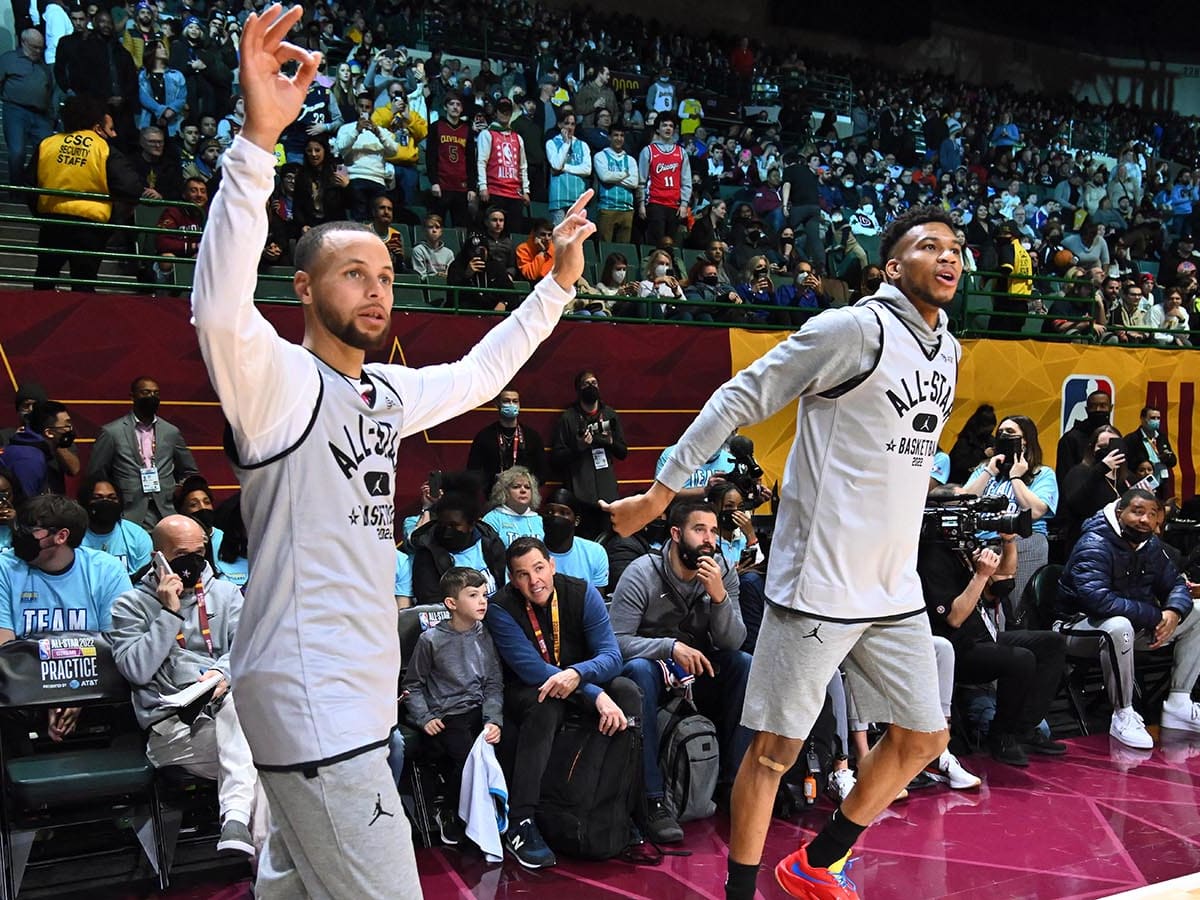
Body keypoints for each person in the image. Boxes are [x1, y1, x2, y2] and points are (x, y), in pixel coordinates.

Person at [188, 9, 595, 894]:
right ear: (303, 287)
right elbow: (219, 310)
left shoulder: (382, 393)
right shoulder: (280, 384)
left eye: (384, 274)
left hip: (353, 701)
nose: (376, 290)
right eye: (352, 274)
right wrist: (258, 142)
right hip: (311, 705)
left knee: (294, 888)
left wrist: (555, 288)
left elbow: (484, 372)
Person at [606, 206, 964, 900]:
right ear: (892, 266)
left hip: (892, 584)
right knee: (774, 755)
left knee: (925, 737)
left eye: (956, 248)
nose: (948, 257)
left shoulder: (946, 345)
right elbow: (742, 394)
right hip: (819, 583)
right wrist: (659, 495)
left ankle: (816, 863)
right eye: (929, 246)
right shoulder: (853, 329)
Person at [109, 514, 261, 859]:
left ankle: (238, 825)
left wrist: (222, 675)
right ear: (158, 558)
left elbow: (246, 651)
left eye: (200, 551)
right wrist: (169, 614)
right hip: (173, 732)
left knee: (250, 732)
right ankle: (260, 860)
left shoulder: (225, 594)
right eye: (181, 554)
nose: (194, 561)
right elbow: (136, 669)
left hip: (228, 721)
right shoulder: (129, 605)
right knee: (266, 757)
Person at [484, 537, 639, 869]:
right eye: (522, 574)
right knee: (547, 704)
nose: (534, 581)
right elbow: (531, 669)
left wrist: (578, 675)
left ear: (552, 565)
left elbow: (612, 656)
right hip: (528, 688)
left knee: (627, 691)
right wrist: (594, 693)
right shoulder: (499, 608)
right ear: (512, 579)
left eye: (539, 568)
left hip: (578, 679)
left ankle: (621, 804)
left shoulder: (583, 593)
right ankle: (521, 821)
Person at [609, 500, 750, 843]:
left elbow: (733, 641)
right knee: (639, 672)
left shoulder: (723, 571)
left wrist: (719, 599)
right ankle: (652, 800)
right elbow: (616, 641)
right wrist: (668, 647)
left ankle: (734, 785)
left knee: (742, 665)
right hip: (654, 668)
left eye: (714, 531)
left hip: (698, 670)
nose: (709, 539)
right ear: (675, 534)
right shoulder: (642, 572)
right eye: (699, 529)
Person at [919, 499, 1068, 767]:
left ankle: (1023, 728)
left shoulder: (962, 545)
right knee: (1020, 659)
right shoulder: (931, 556)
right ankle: (1001, 737)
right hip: (954, 649)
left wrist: (1008, 541)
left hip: (982, 637)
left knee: (1051, 643)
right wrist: (979, 576)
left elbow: (1002, 582)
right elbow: (954, 618)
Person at [1056, 490, 1200, 749]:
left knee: (1198, 611)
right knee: (1118, 626)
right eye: (1137, 511)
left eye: (1152, 514)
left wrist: (1173, 613)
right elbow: (1098, 601)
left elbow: (1176, 583)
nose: (1144, 519)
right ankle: (1123, 714)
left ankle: (1179, 702)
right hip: (1077, 627)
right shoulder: (1094, 542)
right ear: (1120, 512)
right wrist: (1156, 616)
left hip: (1134, 627)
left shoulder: (1151, 546)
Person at [0, 495, 129, 742]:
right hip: (23, 690)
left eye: (31, 531)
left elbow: (118, 643)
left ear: (61, 536)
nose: (20, 536)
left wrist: (79, 693)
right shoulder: (5, 568)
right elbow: (4, 647)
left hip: (95, 684)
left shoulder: (106, 569)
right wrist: (51, 693)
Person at [400, 567, 503, 846]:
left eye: (484, 594)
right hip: (447, 714)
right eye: (473, 595)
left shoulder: (486, 634)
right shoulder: (430, 640)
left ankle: (498, 813)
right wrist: (424, 717)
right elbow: (412, 686)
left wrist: (494, 719)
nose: (482, 601)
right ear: (451, 604)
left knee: (506, 743)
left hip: (478, 710)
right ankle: (449, 809)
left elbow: (494, 683)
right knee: (468, 756)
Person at [29, 95, 142, 292]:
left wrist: (41, 213)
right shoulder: (103, 148)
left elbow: (29, 184)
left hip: (52, 221)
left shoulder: (47, 144)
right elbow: (131, 186)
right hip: (91, 226)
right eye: (111, 129)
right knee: (84, 283)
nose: (114, 134)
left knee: (44, 277)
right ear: (97, 126)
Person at [962, 415, 1059, 613]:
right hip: (982, 542)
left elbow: (1036, 511)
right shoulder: (985, 469)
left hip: (1023, 542)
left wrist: (1016, 476)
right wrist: (989, 471)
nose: (1004, 435)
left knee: (1011, 608)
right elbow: (964, 502)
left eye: (1011, 432)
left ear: (1025, 440)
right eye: (1001, 432)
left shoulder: (1043, 473)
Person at [88, 375, 199, 529]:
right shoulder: (112, 432)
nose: (151, 397)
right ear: (132, 396)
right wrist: (114, 496)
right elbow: (97, 473)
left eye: (155, 393)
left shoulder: (171, 431)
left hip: (166, 508)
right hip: (129, 509)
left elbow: (190, 470)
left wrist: (177, 489)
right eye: (145, 392)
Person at [552, 370, 627, 539]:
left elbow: (623, 452)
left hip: (608, 495)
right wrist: (579, 447)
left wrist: (610, 443)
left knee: (609, 539)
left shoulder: (610, 415)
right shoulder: (568, 418)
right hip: (580, 495)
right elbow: (557, 458)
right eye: (586, 384)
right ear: (578, 389)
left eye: (594, 383)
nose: (591, 387)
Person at [0, 29, 54, 191]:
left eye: (41, 48)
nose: (38, 51)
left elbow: (49, 89)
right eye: (34, 47)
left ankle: (34, 185)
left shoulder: (42, 66)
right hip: (15, 110)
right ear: (24, 43)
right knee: (17, 151)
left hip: (41, 114)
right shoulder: (9, 59)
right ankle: (16, 188)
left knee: (46, 153)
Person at [465, 386, 547, 492]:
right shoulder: (484, 436)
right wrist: (494, 482)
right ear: (497, 404)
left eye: (515, 401)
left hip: (524, 495)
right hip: (494, 495)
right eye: (506, 401)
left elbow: (543, 472)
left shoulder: (532, 436)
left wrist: (526, 484)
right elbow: (473, 471)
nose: (511, 405)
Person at [78, 474, 152, 578]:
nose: (106, 502)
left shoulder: (137, 536)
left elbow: (144, 581)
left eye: (112, 498)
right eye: (97, 498)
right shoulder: (75, 537)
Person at [2, 399, 76, 497]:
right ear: (49, 433)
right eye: (66, 425)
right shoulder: (29, 459)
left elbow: (74, 469)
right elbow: (26, 505)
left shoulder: (35, 450)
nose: (69, 429)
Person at [541, 488, 609, 591]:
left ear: (576, 521)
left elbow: (597, 602)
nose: (555, 517)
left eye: (563, 513)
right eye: (549, 512)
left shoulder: (595, 552)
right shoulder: (531, 553)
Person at [638, 113, 691, 245]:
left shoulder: (681, 152)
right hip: (655, 203)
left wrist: (684, 204)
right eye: (664, 125)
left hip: (674, 205)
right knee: (656, 243)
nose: (668, 128)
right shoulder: (648, 151)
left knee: (670, 244)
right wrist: (641, 203)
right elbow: (642, 181)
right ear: (658, 129)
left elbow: (686, 181)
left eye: (671, 126)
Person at [425, 93, 476, 228]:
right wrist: (434, 182)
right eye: (452, 104)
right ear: (445, 107)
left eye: (458, 104)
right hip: (442, 185)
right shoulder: (436, 127)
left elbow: (471, 160)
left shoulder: (467, 130)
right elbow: (430, 157)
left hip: (461, 186)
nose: (455, 107)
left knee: (461, 227)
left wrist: (471, 187)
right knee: (437, 225)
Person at [1056, 388, 1112, 486]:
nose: (1098, 410)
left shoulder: (1115, 437)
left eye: (1103, 406)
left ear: (1110, 408)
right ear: (1086, 409)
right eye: (1093, 407)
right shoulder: (1070, 439)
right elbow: (1064, 478)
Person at [593, 124, 637, 242]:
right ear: (609, 137)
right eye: (615, 135)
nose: (619, 138)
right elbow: (605, 177)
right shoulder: (600, 156)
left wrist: (613, 178)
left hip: (627, 209)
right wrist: (624, 174)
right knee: (604, 246)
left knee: (623, 249)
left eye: (621, 135)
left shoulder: (630, 160)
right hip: (607, 207)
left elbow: (634, 183)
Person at [481, 466, 544, 547]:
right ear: (504, 492)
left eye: (527, 487)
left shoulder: (538, 520)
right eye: (516, 487)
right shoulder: (493, 519)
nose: (523, 490)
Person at [1122, 405, 1177, 490]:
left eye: (1158, 418)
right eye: (1152, 418)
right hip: (1142, 483)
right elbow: (1127, 464)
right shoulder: (1132, 439)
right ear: (1143, 419)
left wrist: (1167, 457)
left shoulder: (1161, 437)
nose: (1156, 421)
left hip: (1161, 482)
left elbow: (1173, 461)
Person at [411, 213, 456, 280]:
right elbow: (420, 276)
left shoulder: (449, 253)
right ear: (424, 230)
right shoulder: (418, 250)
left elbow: (451, 276)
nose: (434, 230)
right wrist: (435, 277)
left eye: (437, 227)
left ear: (441, 231)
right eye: (430, 227)